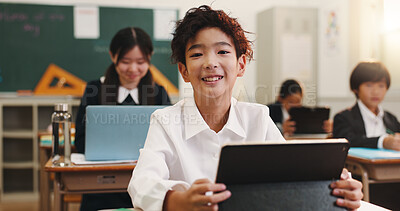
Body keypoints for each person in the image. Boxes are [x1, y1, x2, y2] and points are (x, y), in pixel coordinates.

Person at [128, 5, 362, 211]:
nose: (210, 62)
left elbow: (293, 173)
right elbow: (142, 182)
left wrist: (340, 188)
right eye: (197, 54)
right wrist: (179, 202)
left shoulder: (258, 117)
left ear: (240, 65)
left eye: (222, 52)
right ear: (184, 71)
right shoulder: (165, 120)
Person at [75, 27, 171, 211]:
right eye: (126, 61)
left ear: (150, 57)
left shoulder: (158, 94)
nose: (133, 69)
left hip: (147, 185)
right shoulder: (95, 89)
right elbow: (80, 140)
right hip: (101, 187)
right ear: (113, 56)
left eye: (141, 62)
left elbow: (169, 143)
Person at [333, 61, 400, 150]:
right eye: (369, 85)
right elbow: (347, 142)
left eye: (381, 86)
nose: (375, 92)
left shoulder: (391, 119)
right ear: (356, 88)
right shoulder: (343, 118)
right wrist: (382, 142)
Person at [268, 79, 332, 136]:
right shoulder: (269, 111)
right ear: (280, 98)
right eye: (291, 102)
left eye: (298, 102)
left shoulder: (305, 112)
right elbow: (266, 132)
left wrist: (327, 127)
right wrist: (281, 129)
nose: (295, 105)